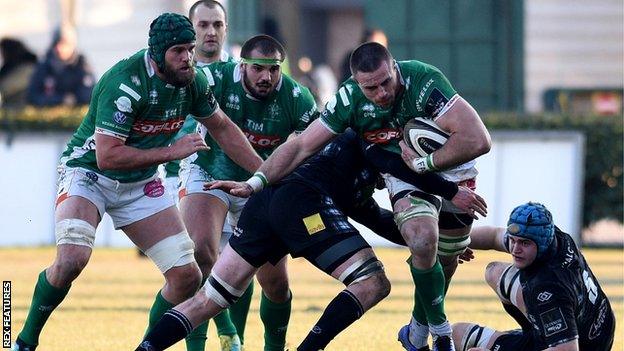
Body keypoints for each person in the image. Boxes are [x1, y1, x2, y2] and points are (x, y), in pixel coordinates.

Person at [207, 42, 492, 351]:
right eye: (371, 87)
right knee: (421, 241)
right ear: (357, 83)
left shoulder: (424, 82)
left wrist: (427, 165)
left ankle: (418, 329)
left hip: (449, 169)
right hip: (395, 174)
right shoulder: (353, 115)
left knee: (445, 260)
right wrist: (257, 182)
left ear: (395, 68)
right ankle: (441, 334)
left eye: (386, 82)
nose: (381, 93)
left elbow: (479, 139)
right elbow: (304, 146)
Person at [11, 13, 262, 351]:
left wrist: (264, 175)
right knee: (71, 259)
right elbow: (108, 157)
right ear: (157, 53)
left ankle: (147, 347)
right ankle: (24, 341)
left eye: (190, 49)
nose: (187, 58)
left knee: (187, 276)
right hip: (89, 175)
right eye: (178, 51)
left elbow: (223, 128)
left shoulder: (194, 81)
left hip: (140, 183)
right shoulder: (124, 82)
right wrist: (171, 151)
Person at [136, 128, 487, 351]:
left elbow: (373, 216)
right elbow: (392, 165)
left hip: (267, 203)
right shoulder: (373, 137)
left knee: (209, 300)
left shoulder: (350, 159)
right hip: (301, 202)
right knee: (373, 282)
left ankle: (147, 348)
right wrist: (447, 189)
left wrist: (436, 241)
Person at [178, 33, 317, 351]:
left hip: (261, 185)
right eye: (258, 68)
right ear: (242, 66)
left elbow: (315, 148)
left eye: (273, 69)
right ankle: (210, 341)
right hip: (209, 171)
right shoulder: (214, 78)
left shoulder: (298, 97)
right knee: (200, 254)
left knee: (275, 283)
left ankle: (272, 347)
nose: (266, 76)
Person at [159, 2, 241, 350]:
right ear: (191, 31)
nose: (211, 32)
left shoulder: (242, 73)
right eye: (203, 25)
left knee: (242, 266)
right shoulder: (172, 73)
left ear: (226, 28)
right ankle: (220, 333)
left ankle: (238, 337)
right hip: (188, 174)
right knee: (200, 258)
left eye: (217, 24)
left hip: (236, 177)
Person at [451, 202, 615, 351]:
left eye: (524, 243)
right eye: (513, 240)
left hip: (580, 345)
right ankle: (539, 331)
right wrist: (449, 241)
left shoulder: (547, 288)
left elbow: (567, 350)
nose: (515, 249)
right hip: (601, 325)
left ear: (540, 243)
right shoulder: (554, 237)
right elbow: (494, 236)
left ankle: (543, 335)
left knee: (459, 337)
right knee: (493, 272)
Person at [26, 23, 95, 107]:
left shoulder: (82, 65)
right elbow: (32, 96)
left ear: (72, 45)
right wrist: (60, 99)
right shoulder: (44, 66)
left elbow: (89, 94)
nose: (59, 48)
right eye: (56, 44)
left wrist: (74, 99)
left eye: (64, 44)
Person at [0, 38, 38, 108]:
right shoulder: (11, 67)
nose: (2, 55)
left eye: (2, 51)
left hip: (18, 108)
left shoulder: (26, 68)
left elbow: (5, 87)